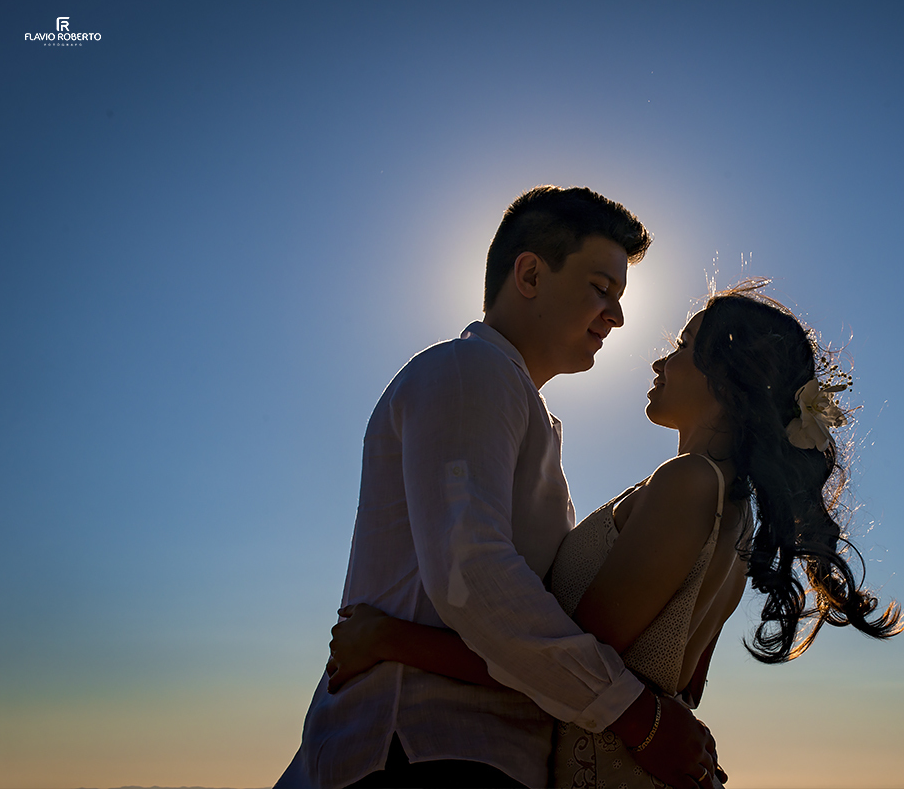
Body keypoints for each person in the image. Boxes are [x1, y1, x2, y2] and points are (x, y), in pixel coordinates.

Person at [327, 280, 904, 788]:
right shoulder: (735, 514)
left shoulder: (688, 484)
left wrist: (387, 640)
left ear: (728, 383)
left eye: (682, 349)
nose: (661, 363)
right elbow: (677, 684)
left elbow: (561, 658)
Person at [277, 185, 719, 789]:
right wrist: (638, 719)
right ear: (531, 275)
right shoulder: (469, 372)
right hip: (427, 745)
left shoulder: (515, 405)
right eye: (600, 288)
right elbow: (473, 578)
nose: (617, 316)